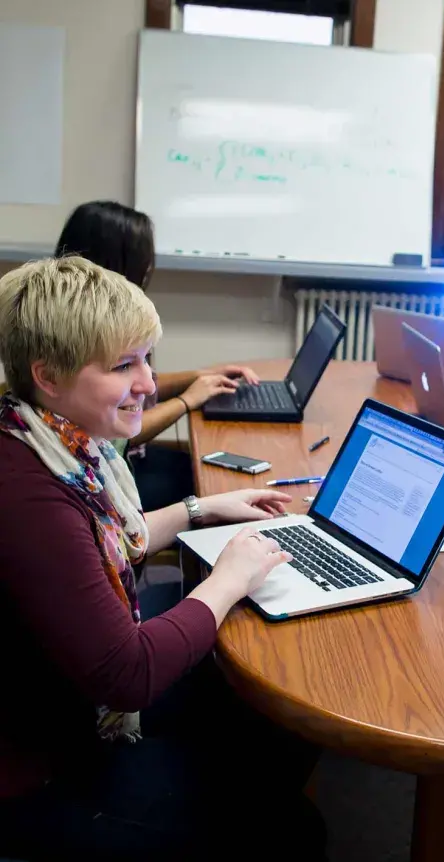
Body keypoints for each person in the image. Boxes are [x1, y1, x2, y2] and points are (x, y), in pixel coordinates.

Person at [0, 257, 325, 860]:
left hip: (61, 703)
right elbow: (127, 674)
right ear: (47, 374)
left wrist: (200, 509)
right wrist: (227, 579)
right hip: (36, 772)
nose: (149, 382)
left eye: (146, 358)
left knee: (266, 718)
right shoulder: (28, 492)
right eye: (124, 365)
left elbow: (103, 543)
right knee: (292, 830)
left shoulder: (47, 438)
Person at [55, 200, 260, 511]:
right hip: (108, 473)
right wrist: (187, 401)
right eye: (144, 259)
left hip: (121, 462)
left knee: (209, 471)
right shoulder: (85, 331)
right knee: (214, 485)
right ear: (115, 262)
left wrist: (200, 377)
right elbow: (118, 435)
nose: (150, 268)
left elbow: (134, 390)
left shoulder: (104, 314)